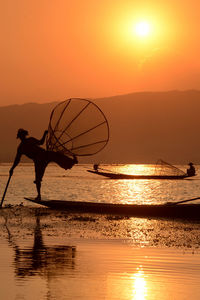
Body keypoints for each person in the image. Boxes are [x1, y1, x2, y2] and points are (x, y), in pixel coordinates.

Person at [10, 128, 78, 200]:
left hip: (43, 154)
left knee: (57, 156)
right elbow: (17, 160)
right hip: (38, 160)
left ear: (24, 135)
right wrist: (12, 169)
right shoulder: (21, 148)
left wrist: (45, 134)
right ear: (20, 137)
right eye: (21, 136)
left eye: (23, 135)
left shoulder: (30, 140)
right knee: (38, 179)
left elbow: (40, 142)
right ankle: (39, 195)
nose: (22, 137)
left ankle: (72, 162)